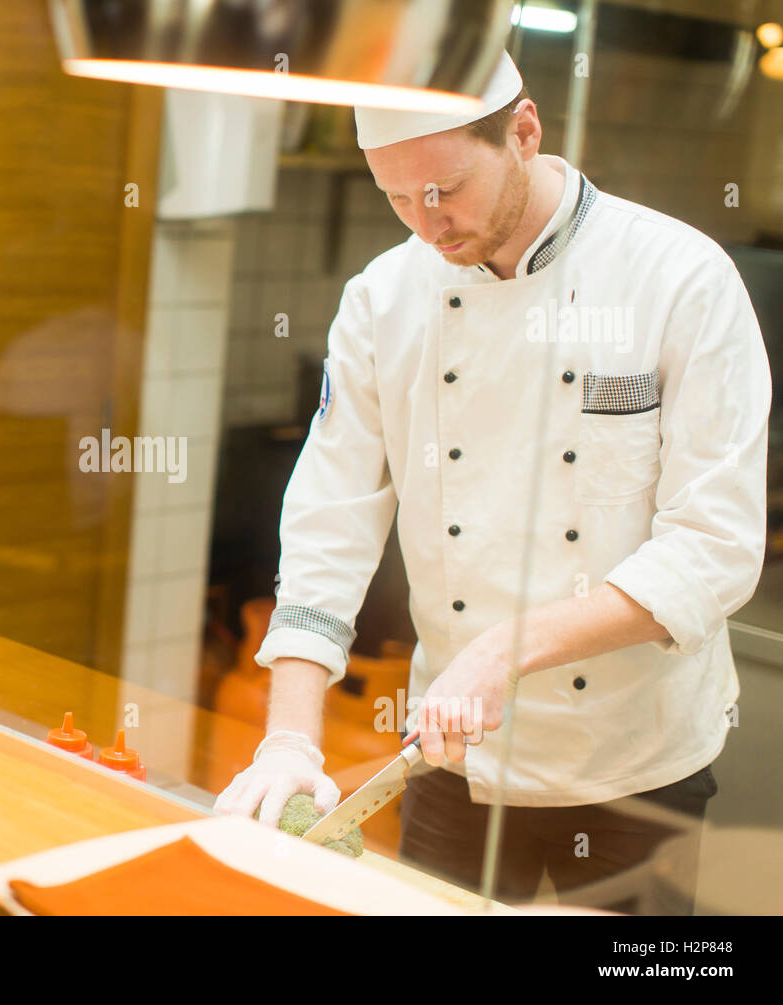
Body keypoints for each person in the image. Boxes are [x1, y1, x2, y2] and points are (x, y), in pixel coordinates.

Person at [213, 50, 770, 913]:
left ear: (524, 132)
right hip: (453, 759)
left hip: (634, 768)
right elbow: (330, 518)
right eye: (396, 198)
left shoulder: (680, 280)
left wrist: (504, 651)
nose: (426, 225)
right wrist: (289, 739)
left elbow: (715, 550)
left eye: (443, 191)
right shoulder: (383, 300)